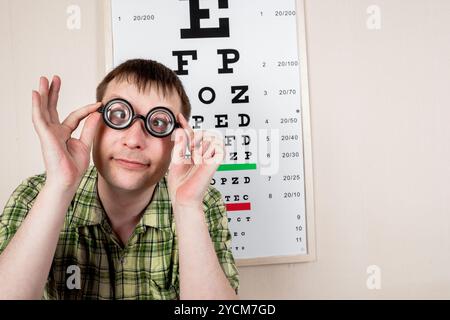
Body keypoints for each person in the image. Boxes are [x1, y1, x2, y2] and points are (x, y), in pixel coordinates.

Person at [0, 59, 239, 300]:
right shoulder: (35, 195)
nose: (134, 139)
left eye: (158, 122)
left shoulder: (203, 202)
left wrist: (187, 207)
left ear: (179, 139)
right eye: (118, 115)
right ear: (94, 120)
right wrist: (59, 187)